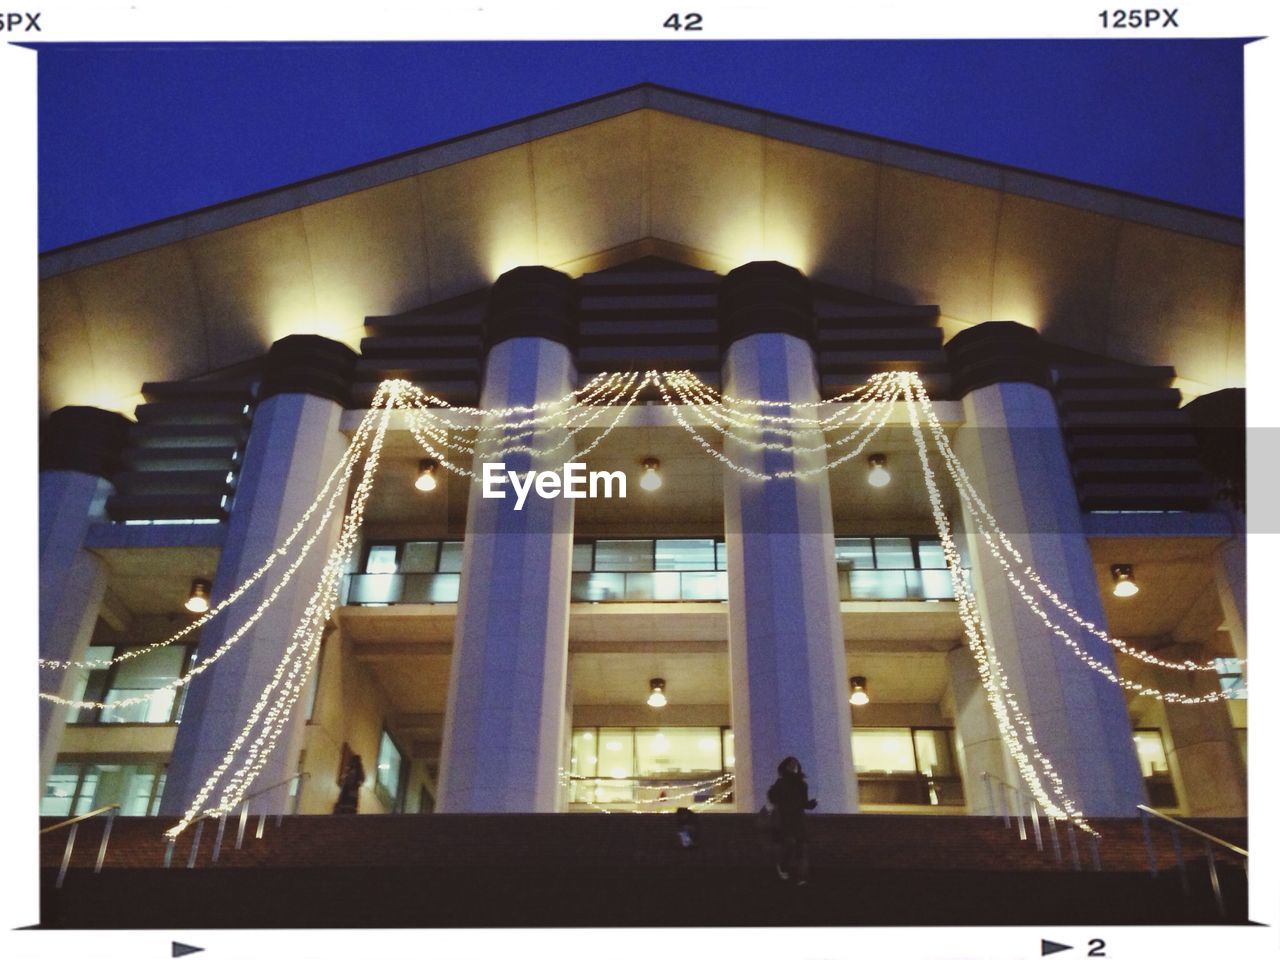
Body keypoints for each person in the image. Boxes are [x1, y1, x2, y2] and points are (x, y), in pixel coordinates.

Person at [767, 755, 817, 885]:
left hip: (795, 819)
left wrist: (810, 804)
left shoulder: (800, 784)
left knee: (800, 847)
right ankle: (792, 872)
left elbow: (803, 803)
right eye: (791, 765)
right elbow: (774, 798)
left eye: (795, 765)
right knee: (793, 845)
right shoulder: (788, 783)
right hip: (788, 819)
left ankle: (800, 877)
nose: (794, 767)